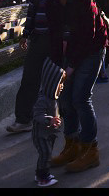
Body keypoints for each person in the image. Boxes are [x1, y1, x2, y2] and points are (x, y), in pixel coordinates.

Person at [41, 0, 109, 174]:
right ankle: (72, 144)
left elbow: (87, 35)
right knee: (65, 99)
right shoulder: (50, 3)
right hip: (69, 52)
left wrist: (71, 66)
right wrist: (57, 66)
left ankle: (90, 150)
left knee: (81, 97)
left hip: (92, 48)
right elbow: (53, 36)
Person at [7, 0, 62, 134]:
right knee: (29, 79)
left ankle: (53, 119)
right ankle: (23, 119)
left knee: (54, 81)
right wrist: (26, 33)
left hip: (56, 40)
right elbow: (32, 11)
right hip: (38, 38)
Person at [31, 57, 65, 187]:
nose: (61, 87)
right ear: (52, 84)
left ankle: (41, 173)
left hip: (49, 133)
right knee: (45, 154)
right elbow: (37, 115)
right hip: (40, 134)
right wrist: (49, 119)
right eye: (59, 84)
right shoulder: (43, 99)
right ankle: (42, 177)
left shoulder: (53, 98)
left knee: (47, 154)